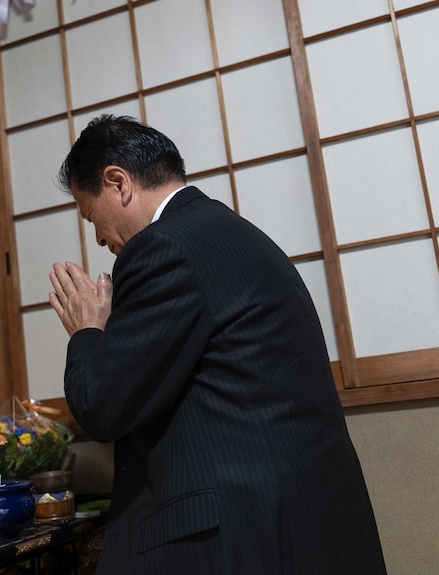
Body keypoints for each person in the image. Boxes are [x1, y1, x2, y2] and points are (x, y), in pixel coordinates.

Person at [48, 115, 387, 574]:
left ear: (118, 183)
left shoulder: (162, 249)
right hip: (304, 517)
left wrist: (88, 330)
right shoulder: (231, 233)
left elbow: (104, 407)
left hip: (238, 533)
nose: (100, 237)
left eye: (91, 216)